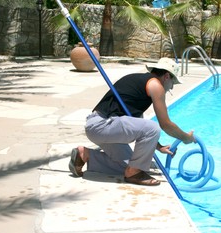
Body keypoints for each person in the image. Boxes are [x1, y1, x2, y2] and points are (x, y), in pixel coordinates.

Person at [69, 58, 195, 186]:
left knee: (127, 165)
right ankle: (134, 174)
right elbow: (165, 124)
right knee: (153, 128)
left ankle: (84, 154)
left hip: (99, 127)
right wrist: (185, 137)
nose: (172, 87)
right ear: (167, 76)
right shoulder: (156, 86)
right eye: (173, 82)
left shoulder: (140, 85)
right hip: (102, 125)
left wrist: (159, 147)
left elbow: (138, 125)